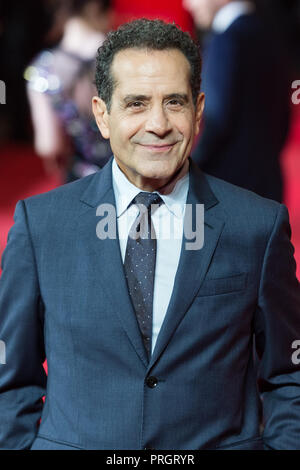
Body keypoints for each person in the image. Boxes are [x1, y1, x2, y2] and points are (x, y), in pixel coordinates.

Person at [0, 19, 300, 450]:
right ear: (103, 116)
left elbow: (289, 372)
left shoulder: (257, 226)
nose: (158, 124)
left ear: (198, 112)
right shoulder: (42, 225)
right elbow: (10, 379)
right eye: (137, 104)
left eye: (174, 102)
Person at [183, 0, 291, 202]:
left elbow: (215, 119)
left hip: (227, 190)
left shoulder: (227, 40)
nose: (188, 5)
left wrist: (189, 167)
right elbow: (284, 119)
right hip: (269, 189)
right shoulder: (270, 34)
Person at [25, 0, 113, 182]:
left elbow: (49, 145)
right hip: (132, 175)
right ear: (96, 6)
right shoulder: (123, 56)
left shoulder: (43, 69)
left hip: (81, 181)